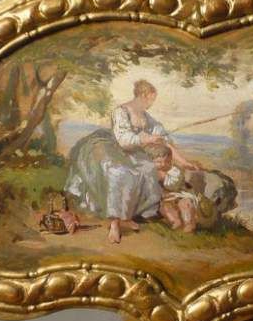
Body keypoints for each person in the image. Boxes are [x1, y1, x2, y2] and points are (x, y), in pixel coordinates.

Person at [64, 79, 197, 243]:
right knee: (119, 172)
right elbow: (123, 140)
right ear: (143, 95)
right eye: (151, 99)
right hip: (110, 149)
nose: (151, 104)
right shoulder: (121, 111)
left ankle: (127, 216)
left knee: (148, 169)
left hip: (133, 153)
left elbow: (165, 142)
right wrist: (146, 138)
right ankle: (114, 224)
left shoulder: (146, 117)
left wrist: (183, 162)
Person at [145, 143, 199, 233]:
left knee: (185, 205)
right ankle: (175, 221)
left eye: (167, 162)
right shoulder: (152, 172)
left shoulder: (175, 171)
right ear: (152, 162)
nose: (163, 164)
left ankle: (189, 223)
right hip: (166, 198)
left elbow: (174, 186)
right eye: (159, 162)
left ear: (171, 161)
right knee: (165, 208)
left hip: (180, 195)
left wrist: (164, 178)